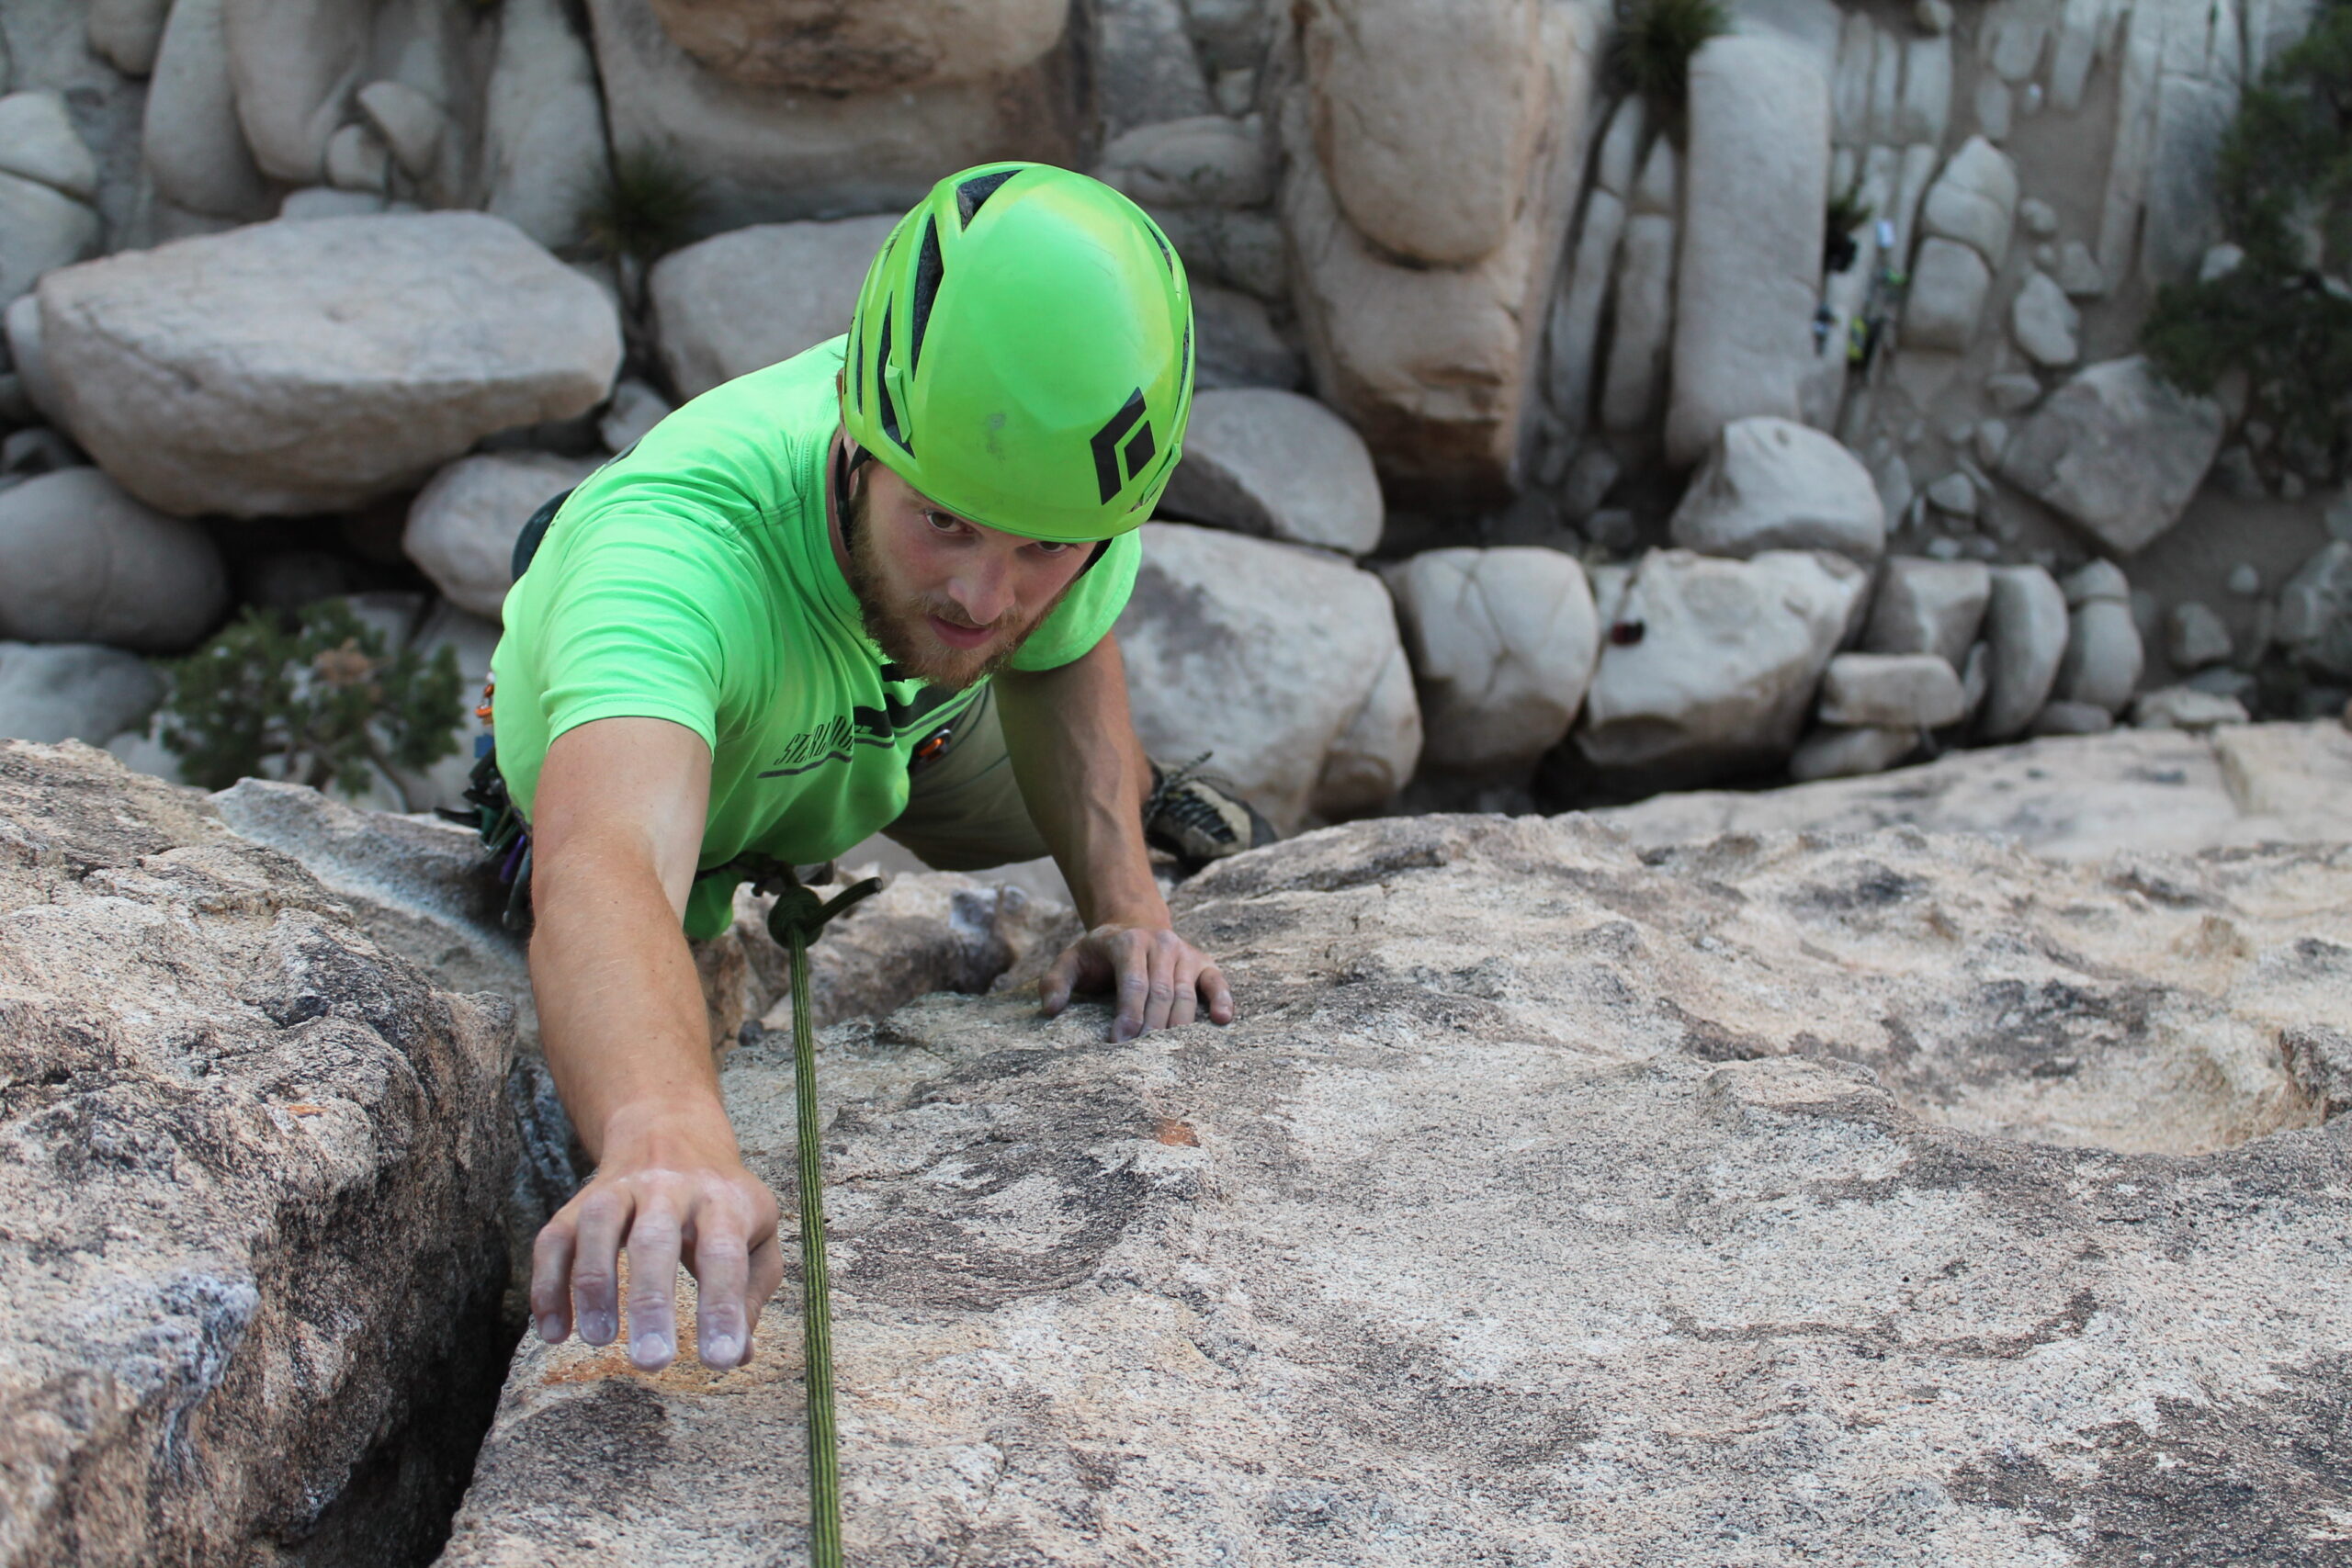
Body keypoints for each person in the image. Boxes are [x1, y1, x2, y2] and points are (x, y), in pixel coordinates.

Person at [475, 164, 1272, 1376]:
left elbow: (1062, 647)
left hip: (909, 725)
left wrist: (1127, 907)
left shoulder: (1066, 487)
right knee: (647, 896)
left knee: (1057, 781)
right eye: (942, 519)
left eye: (1039, 547)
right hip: (711, 750)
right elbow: (610, 860)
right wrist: (665, 1131)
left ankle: (1146, 802)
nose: (982, 591)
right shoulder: (679, 550)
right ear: (855, 433)